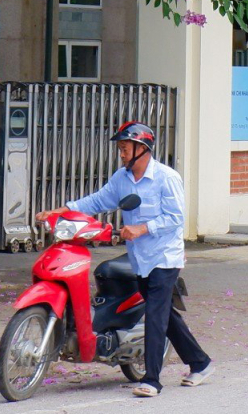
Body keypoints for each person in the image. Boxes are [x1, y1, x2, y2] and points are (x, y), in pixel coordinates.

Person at [38, 121, 213, 398]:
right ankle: (200, 363)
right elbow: (99, 201)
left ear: (142, 149)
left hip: (164, 256)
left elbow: (177, 217)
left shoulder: (167, 178)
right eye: (120, 148)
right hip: (139, 258)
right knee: (164, 313)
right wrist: (63, 210)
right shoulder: (122, 178)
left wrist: (143, 228)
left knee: (155, 315)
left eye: (124, 148)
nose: (121, 154)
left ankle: (152, 380)